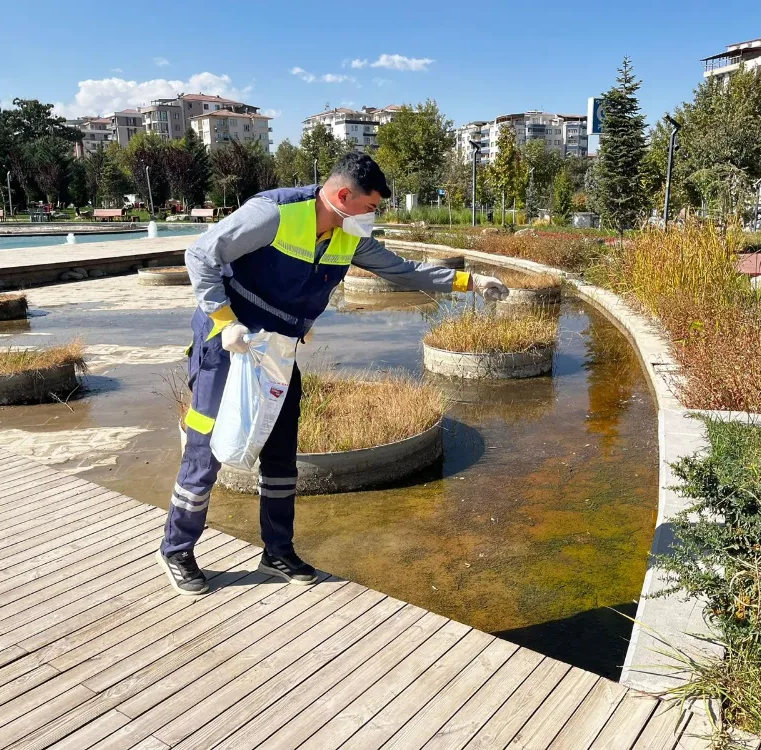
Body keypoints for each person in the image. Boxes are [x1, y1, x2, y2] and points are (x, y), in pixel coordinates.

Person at [156, 152, 509, 595]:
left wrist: (469, 282)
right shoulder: (274, 215)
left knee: (281, 450)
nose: (372, 218)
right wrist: (226, 322)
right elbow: (201, 254)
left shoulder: (348, 235)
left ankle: (277, 551)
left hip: (277, 353)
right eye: (370, 207)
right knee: (206, 445)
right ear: (343, 195)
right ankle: (177, 549)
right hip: (229, 344)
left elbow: (402, 271)